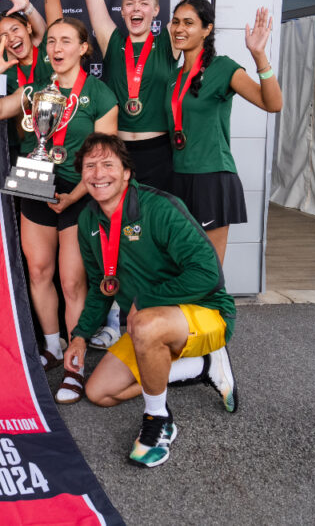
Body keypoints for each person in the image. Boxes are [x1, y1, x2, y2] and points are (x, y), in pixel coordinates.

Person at [80, 0, 225, 350]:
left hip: (161, 154)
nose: (136, 9)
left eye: (145, 3)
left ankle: (167, 317)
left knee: (154, 235)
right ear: (122, 11)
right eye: (130, 4)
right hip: (120, 157)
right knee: (114, 232)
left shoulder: (169, 41)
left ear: (157, 10)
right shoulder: (112, 40)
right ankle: (113, 314)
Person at [65, 132, 237, 467]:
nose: (98, 174)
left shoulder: (159, 208)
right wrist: (80, 336)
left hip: (207, 310)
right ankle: (201, 366)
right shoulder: (89, 219)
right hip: (151, 319)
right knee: (99, 392)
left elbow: (208, 275)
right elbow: (104, 283)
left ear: (126, 172)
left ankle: (158, 420)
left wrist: (145, 300)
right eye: (90, 166)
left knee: (143, 324)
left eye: (107, 164)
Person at [0, 21, 117, 405]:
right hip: (34, 188)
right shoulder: (37, 89)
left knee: (72, 283)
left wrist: (74, 196)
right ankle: (53, 346)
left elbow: (106, 161)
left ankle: (75, 366)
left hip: (79, 197)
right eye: (52, 41)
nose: (57, 48)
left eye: (66, 41)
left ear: (84, 48)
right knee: (39, 272)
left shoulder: (99, 95)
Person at [167, 0, 282, 262]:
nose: (179, 28)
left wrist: (259, 55)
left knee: (209, 267)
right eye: (175, 21)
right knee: (180, 263)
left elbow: (273, 104)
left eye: (188, 23)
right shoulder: (173, 78)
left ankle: (216, 305)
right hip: (177, 178)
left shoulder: (223, 68)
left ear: (207, 30)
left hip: (212, 177)